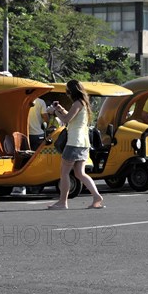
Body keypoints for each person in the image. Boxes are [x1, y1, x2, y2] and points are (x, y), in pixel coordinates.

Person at [47, 79, 105, 210]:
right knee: (79, 173)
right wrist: (60, 109)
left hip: (74, 142)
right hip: (83, 142)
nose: (66, 93)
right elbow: (71, 118)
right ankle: (96, 196)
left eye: (67, 91)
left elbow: (67, 121)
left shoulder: (77, 103)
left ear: (71, 91)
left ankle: (62, 202)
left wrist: (54, 112)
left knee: (64, 172)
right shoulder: (82, 103)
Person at [11, 97, 49, 196]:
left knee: (23, 160)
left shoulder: (21, 100)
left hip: (24, 134)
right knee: (36, 161)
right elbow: (45, 118)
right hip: (38, 135)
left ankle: (21, 185)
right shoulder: (41, 102)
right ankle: (35, 185)